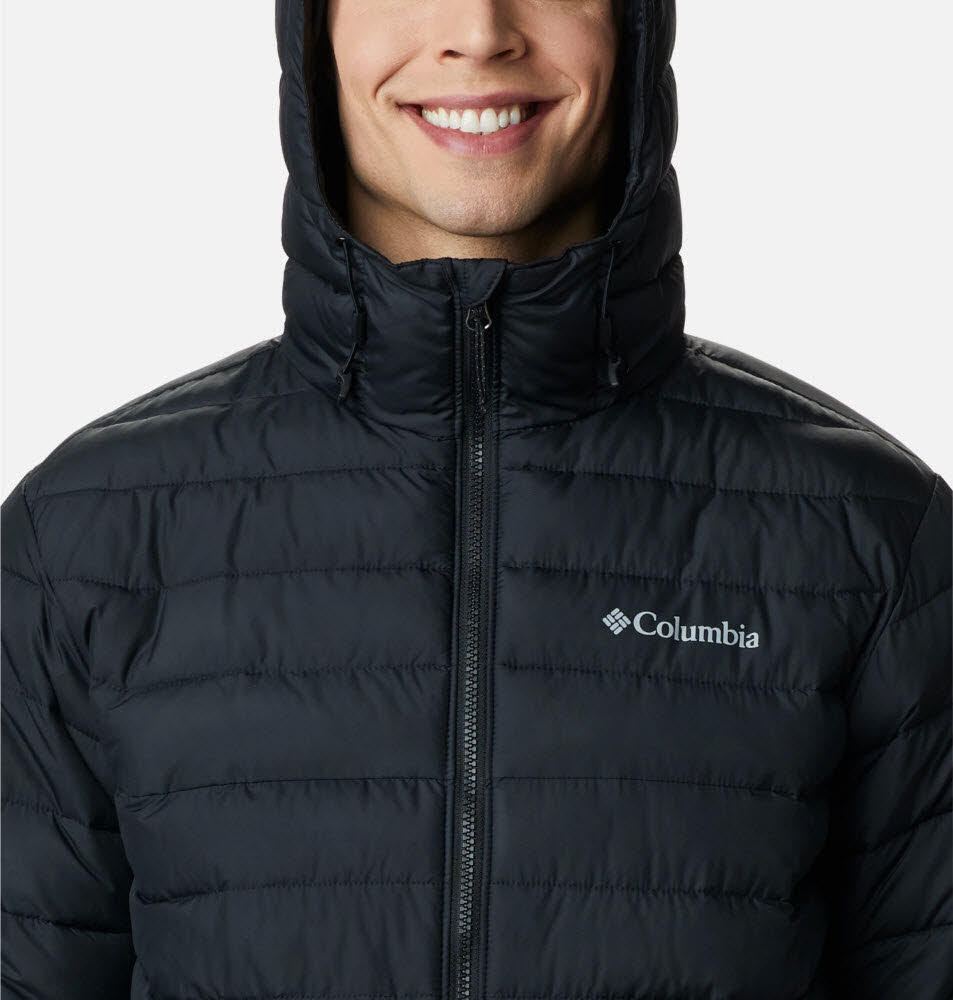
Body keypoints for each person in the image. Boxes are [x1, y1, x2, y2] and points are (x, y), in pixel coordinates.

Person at [2, 1, 950, 997]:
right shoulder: (81, 546)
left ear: (634, 25)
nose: (480, 30)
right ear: (312, 32)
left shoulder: (872, 541)